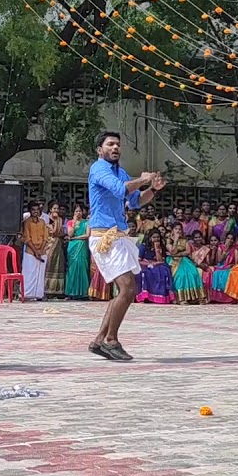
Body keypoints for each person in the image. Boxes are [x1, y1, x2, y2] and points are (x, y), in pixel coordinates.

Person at [87, 130, 164, 361]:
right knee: (128, 288)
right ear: (99, 149)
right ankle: (111, 340)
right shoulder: (98, 169)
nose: (115, 148)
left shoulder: (121, 172)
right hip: (105, 237)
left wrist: (153, 189)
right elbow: (121, 189)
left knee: (124, 290)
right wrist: (143, 179)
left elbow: (136, 201)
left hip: (118, 236)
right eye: (110, 144)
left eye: (118, 145)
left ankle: (100, 339)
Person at [167, 224, 206, 304]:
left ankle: (196, 297)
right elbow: (173, 251)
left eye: (179, 229)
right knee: (181, 275)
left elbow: (188, 251)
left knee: (194, 273)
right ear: (172, 230)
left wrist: (178, 254)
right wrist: (176, 240)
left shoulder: (185, 240)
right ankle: (181, 298)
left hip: (184, 260)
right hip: (173, 261)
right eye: (176, 229)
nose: (178, 231)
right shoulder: (169, 240)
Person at [136, 230, 175, 304]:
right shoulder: (143, 246)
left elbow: (160, 260)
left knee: (163, 271)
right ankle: (144, 297)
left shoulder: (161, 246)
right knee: (145, 272)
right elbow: (138, 261)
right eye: (154, 237)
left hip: (157, 264)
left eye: (158, 237)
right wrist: (149, 264)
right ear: (150, 238)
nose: (156, 239)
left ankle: (160, 297)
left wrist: (157, 250)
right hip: (145, 264)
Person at [20, 201, 49, 301]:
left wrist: (40, 250)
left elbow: (46, 237)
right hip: (30, 251)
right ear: (30, 211)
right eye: (33, 210)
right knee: (29, 273)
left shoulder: (43, 222)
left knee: (40, 274)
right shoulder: (27, 222)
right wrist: (35, 251)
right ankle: (27, 294)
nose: (35, 212)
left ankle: (38, 295)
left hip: (42, 251)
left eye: (37, 210)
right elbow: (27, 238)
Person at [64, 205, 91, 299]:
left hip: (82, 246)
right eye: (76, 211)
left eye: (80, 211)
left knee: (82, 267)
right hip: (72, 247)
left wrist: (76, 237)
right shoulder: (70, 222)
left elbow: (87, 235)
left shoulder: (86, 222)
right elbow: (70, 234)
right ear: (73, 213)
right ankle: (71, 292)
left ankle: (83, 293)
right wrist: (74, 222)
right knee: (72, 268)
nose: (78, 213)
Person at [43, 201, 66, 298]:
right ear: (50, 209)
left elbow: (58, 232)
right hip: (49, 244)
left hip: (58, 244)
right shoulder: (46, 218)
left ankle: (57, 291)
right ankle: (47, 290)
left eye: (57, 208)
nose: (56, 210)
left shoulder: (59, 219)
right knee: (49, 264)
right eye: (54, 208)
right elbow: (52, 232)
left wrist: (56, 222)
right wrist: (54, 226)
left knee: (58, 265)